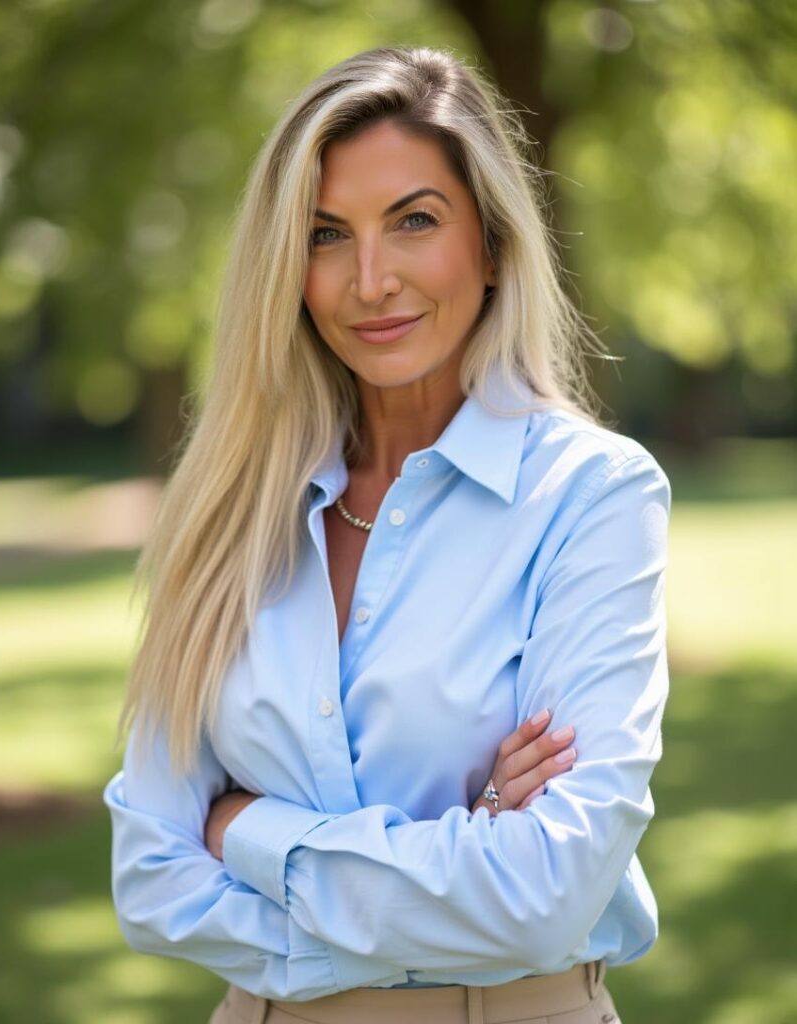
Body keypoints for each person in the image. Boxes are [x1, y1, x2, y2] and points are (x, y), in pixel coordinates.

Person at [103, 45, 671, 1024]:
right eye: (327, 234)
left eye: (414, 221)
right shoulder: (231, 506)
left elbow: (547, 894)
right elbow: (150, 875)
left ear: (490, 245)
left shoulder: (591, 497)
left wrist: (244, 829)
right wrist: (470, 843)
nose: (371, 279)